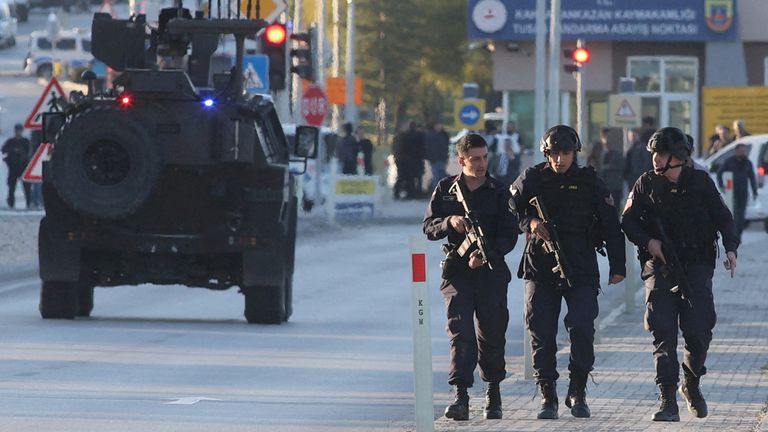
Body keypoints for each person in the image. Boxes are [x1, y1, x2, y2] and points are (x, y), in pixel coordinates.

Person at [621, 127, 739, 422]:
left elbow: (724, 217)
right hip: (659, 268)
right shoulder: (645, 184)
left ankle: (692, 382)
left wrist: (731, 248)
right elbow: (628, 221)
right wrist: (650, 242)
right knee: (663, 333)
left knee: (699, 331)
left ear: (679, 157)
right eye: (654, 154)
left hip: (697, 265)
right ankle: (667, 400)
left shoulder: (700, 183)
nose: (656, 160)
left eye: (662, 154)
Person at [510, 125, 626, 420]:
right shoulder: (533, 178)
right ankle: (547, 394)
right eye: (554, 154)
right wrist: (531, 223)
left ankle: (578, 390)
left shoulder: (590, 181)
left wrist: (618, 266)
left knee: (583, 328)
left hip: (581, 266)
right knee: (541, 330)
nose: (560, 160)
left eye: (565, 154)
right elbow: (511, 206)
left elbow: (611, 224)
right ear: (546, 154)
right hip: (541, 265)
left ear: (575, 153)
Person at [423, 133, 519, 421]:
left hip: (490, 271)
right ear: (461, 160)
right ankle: (461, 396)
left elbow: (510, 233)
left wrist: (489, 253)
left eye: (485, 157)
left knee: (491, 333)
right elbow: (428, 227)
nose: (481, 164)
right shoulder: (445, 189)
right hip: (457, 272)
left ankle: (493, 393)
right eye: (475, 159)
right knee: (460, 332)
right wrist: (448, 222)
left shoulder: (499, 191)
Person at [717, 143, 757, 241]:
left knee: (741, 217)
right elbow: (719, 173)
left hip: (743, 193)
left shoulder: (748, 163)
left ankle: (738, 236)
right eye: (741, 151)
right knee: (733, 215)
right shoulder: (729, 162)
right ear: (736, 151)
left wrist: (754, 191)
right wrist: (721, 185)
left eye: (744, 151)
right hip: (732, 193)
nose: (743, 153)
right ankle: (732, 236)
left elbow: (752, 178)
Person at [2, 124, 32, 209]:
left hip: (23, 167)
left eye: (19, 130)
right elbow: (4, 149)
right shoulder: (11, 141)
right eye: (16, 130)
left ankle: (29, 204)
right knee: (11, 187)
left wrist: (20, 152)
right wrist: (12, 150)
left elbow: (29, 152)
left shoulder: (25, 141)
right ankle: (11, 204)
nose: (17, 132)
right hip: (13, 167)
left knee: (27, 188)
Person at [596, 128, 624, 205]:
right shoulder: (597, 151)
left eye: (609, 137)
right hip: (600, 185)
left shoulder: (616, 153)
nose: (608, 140)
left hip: (614, 186)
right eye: (605, 137)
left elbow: (621, 167)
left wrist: (609, 167)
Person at [424, 122, 450, 190]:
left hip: (440, 158)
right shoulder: (439, 135)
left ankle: (437, 190)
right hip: (437, 158)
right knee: (437, 175)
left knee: (439, 175)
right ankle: (437, 190)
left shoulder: (439, 135)